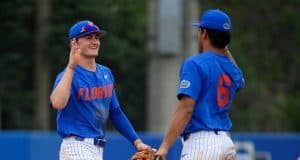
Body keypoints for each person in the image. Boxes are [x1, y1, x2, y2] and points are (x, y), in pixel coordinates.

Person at [50, 20, 149, 160]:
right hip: (76, 145)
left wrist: (137, 142)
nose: (95, 41)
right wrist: (71, 67)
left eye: (97, 37)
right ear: (74, 43)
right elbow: (57, 103)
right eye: (88, 37)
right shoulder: (68, 75)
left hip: (97, 149)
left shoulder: (106, 73)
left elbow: (115, 112)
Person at [154, 9, 245, 160]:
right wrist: (223, 45)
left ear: (204, 33)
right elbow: (240, 80)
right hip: (226, 143)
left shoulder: (195, 63)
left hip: (202, 144)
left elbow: (186, 109)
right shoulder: (230, 68)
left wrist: (164, 148)